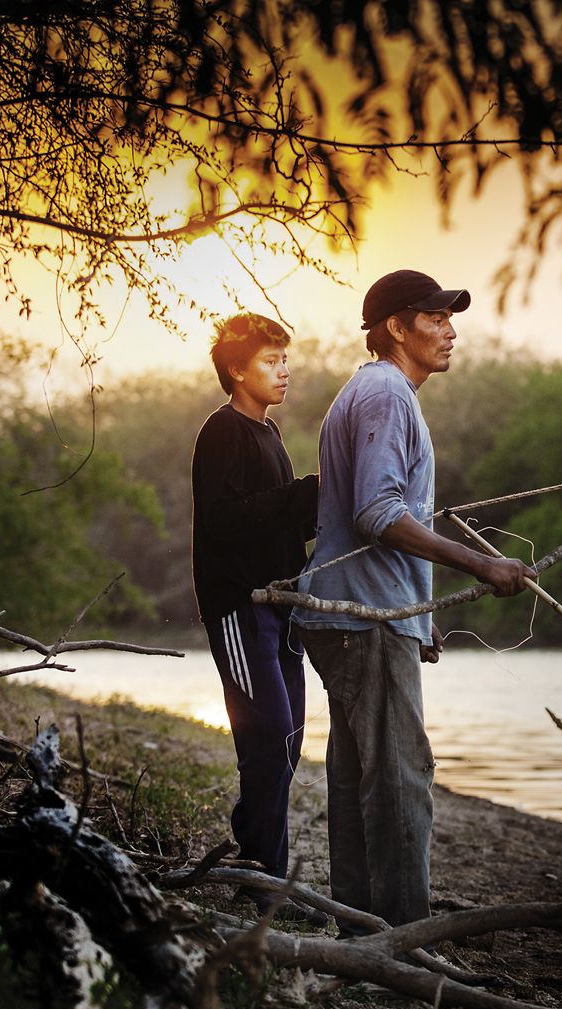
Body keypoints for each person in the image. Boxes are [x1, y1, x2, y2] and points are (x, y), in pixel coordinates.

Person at [294, 270, 536, 927]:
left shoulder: (380, 392)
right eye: (435, 317)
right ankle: (405, 935)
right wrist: (481, 563)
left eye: (450, 318)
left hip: (357, 612)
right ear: (397, 327)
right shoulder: (384, 392)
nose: (450, 330)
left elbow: (379, 511)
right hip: (364, 615)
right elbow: (377, 512)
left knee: (355, 778)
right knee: (402, 778)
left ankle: (359, 925)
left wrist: (422, 615)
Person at [191, 312, 323, 920]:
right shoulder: (222, 433)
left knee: (288, 738)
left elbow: (281, 520)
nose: (284, 370)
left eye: (284, 359)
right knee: (266, 735)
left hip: (283, 608)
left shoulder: (270, 435)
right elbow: (224, 519)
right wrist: (304, 494)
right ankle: (262, 875)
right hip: (240, 608)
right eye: (270, 361)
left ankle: (257, 862)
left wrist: (324, 511)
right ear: (237, 370)